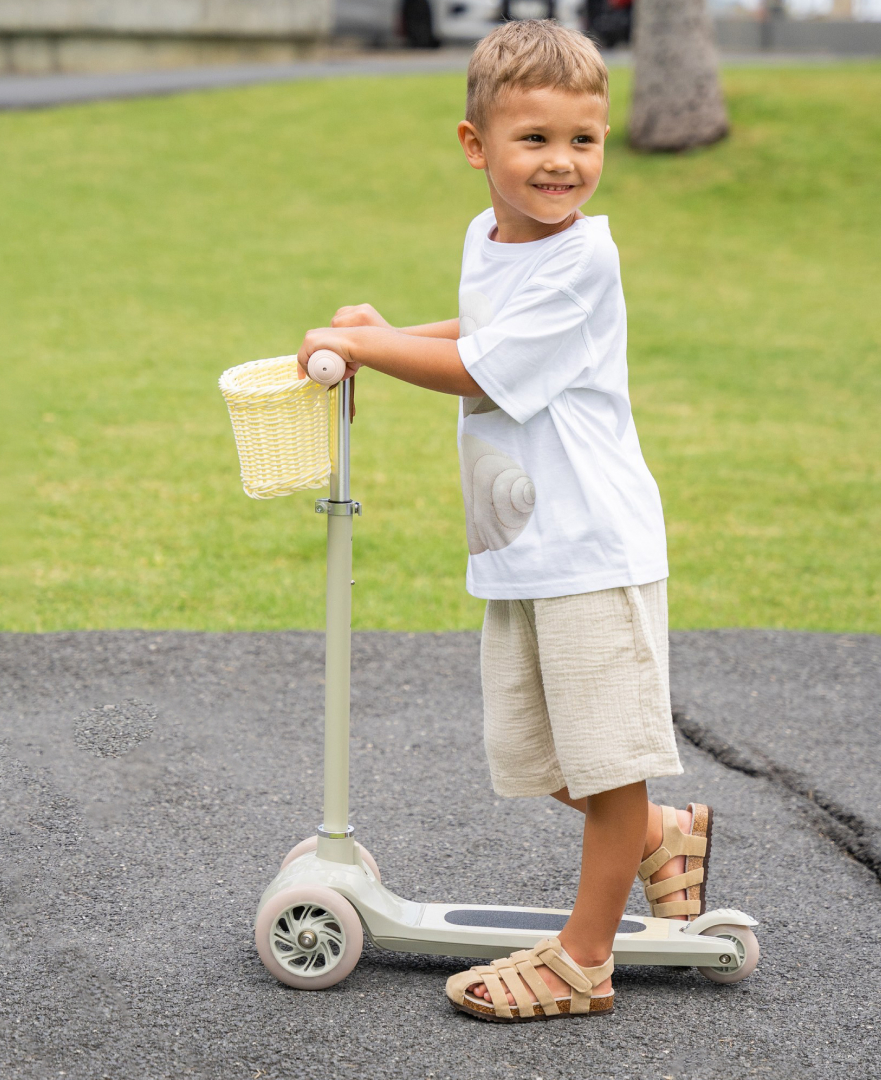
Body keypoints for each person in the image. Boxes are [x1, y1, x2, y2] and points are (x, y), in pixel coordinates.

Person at [296, 19, 713, 1023]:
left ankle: (584, 960)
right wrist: (381, 334)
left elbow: (481, 369)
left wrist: (371, 349)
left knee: (603, 767)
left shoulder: (583, 262)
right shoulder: (491, 239)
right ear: (476, 147)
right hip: (527, 549)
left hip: (589, 547)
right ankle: (657, 836)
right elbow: (485, 331)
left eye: (585, 139)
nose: (564, 164)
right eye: (536, 140)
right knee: (539, 755)